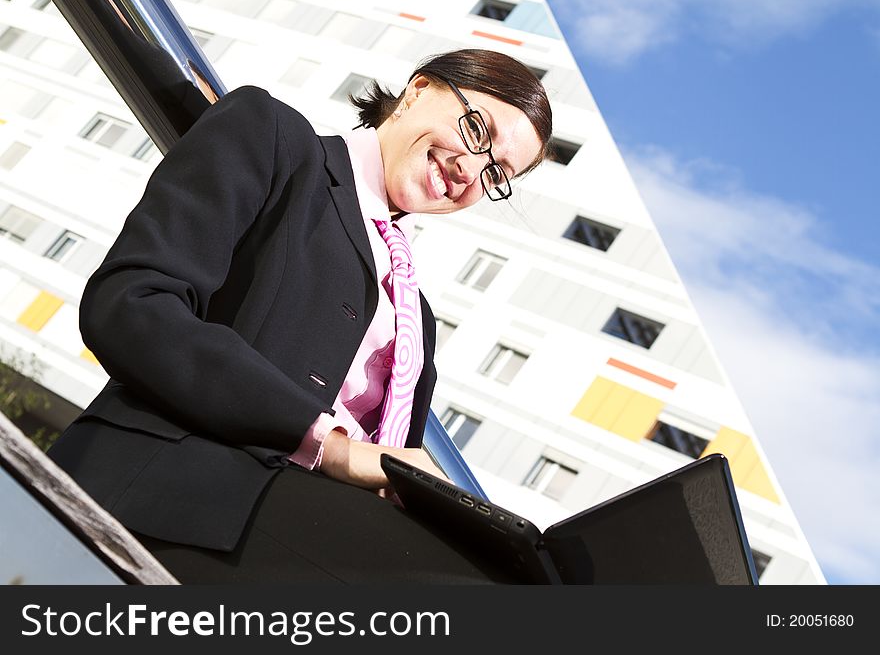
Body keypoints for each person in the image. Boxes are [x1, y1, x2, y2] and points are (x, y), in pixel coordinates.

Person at [47, 48, 553, 583]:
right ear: (418, 91)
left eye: (496, 172)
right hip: (180, 493)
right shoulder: (274, 138)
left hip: (307, 531)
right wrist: (333, 447)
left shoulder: (417, 317)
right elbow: (131, 305)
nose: (470, 169)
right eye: (476, 130)